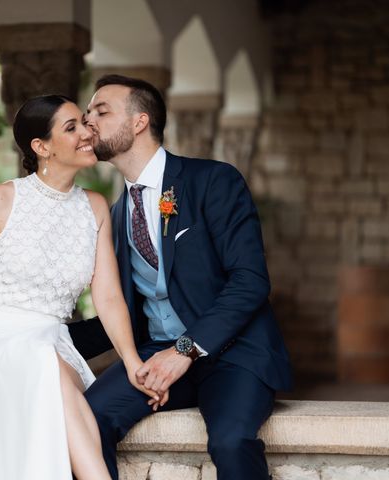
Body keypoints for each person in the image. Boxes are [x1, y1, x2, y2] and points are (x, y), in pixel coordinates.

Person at [0, 94, 161, 480]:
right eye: (72, 128)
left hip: (49, 339)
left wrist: (132, 361)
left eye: (83, 123)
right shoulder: (0, 200)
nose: (87, 133)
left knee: (43, 359)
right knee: (39, 361)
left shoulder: (96, 206)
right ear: (41, 147)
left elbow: (108, 296)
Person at [68, 75, 293, 480]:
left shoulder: (213, 181)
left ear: (139, 121)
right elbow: (121, 316)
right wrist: (34, 337)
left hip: (234, 354)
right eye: (87, 114)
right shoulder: (116, 214)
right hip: (156, 355)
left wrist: (183, 351)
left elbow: (250, 282)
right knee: (86, 422)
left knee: (231, 441)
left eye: (101, 111)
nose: (88, 122)